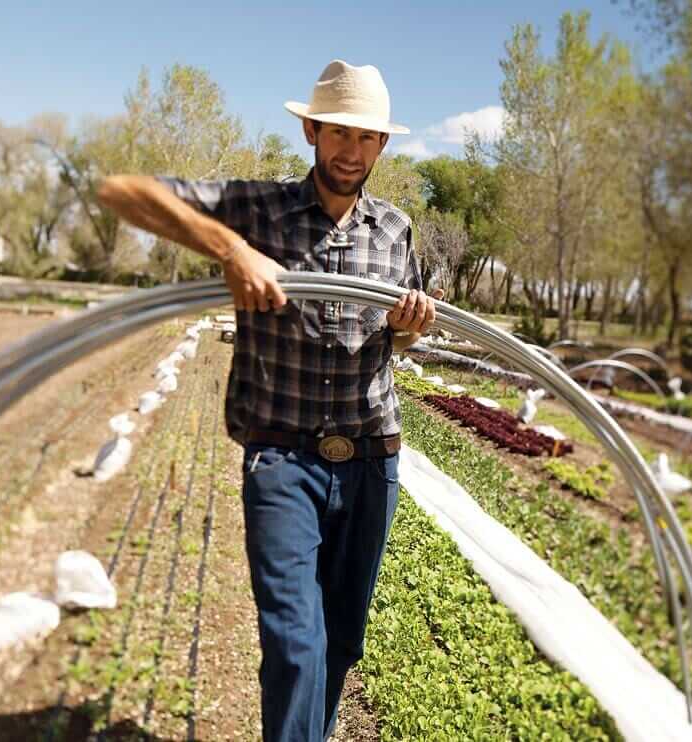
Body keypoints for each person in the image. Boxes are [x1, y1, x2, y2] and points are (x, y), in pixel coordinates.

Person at [97, 59, 442, 742]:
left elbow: (396, 347)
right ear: (311, 130)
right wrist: (231, 249)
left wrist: (405, 329)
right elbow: (120, 190)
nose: (350, 150)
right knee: (294, 642)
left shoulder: (395, 230)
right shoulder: (261, 209)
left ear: (382, 147)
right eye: (337, 132)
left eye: (365, 137)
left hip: (372, 456)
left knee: (341, 641)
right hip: (282, 457)